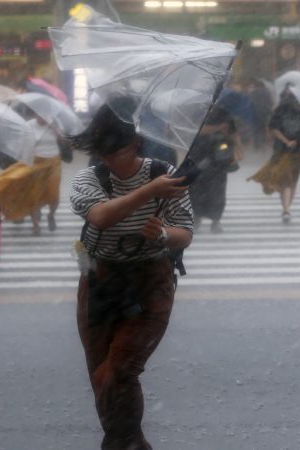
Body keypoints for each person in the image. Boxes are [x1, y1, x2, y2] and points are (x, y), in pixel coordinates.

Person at [69, 99, 193, 450]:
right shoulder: (88, 179)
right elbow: (101, 216)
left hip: (150, 280)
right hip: (100, 280)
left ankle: (121, 444)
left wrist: (164, 234)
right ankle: (130, 444)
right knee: (100, 376)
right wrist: (151, 192)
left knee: (119, 371)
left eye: (115, 151)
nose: (107, 159)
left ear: (135, 144)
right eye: (101, 152)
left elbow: (185, 230)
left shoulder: (164, 174)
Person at [248, 86, 300, 223]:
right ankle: (286, 209)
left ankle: (287, 207)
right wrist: (287, 141)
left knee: (292, 181)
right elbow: (274, 128)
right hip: (282, 150)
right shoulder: (281, 110)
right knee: (286, 180)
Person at [0, 116, 62, 235]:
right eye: (38, 113)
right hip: (35, 162)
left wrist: (55, 128)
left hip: (54, 162)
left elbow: (65, 141)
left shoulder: (55, 122)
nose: (41, 116)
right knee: (33, 194)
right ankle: (36, 225)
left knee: (54, 196)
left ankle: (51, 215)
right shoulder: (29, 125)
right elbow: (23, 145)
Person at [187, 107, 241, 233]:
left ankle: (216, 220)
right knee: (196, 190)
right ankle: (197, 217)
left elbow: (232, 133)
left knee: (218, 190)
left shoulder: (224, 112)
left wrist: (234, 151)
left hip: (219, 157)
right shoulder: (197, 112)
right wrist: (218, 128)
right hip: (199, 156)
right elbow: (196, 130)